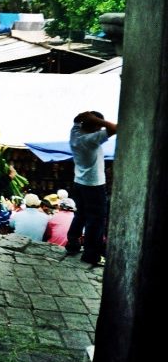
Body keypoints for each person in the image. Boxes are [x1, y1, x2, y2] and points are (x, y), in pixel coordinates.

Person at [66, 111, 117, 266]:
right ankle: (91, 254)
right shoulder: (91, 139)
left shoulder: (75, 133)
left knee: (81, 214)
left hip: (79, 182)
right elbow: (115, 128)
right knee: (96, 220)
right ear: (95, 125)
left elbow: (76, 118)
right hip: (94, 185)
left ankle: (73, 242)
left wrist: (90, 119)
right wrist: (98, 121)